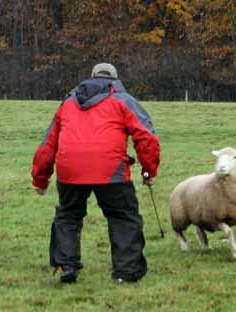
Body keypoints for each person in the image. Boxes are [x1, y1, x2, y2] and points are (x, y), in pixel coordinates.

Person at [31, 63, 161, 284]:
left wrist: (40, 179)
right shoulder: (124, 100)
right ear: (115, 79)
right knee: (123, 217)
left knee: (68, 215)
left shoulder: (68, 102)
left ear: (91, 77)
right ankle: (126, 272)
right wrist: (149, 170)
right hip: (110, 170)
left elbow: (48, 143)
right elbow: (146, 136)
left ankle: (66, 265)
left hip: (70, 168)